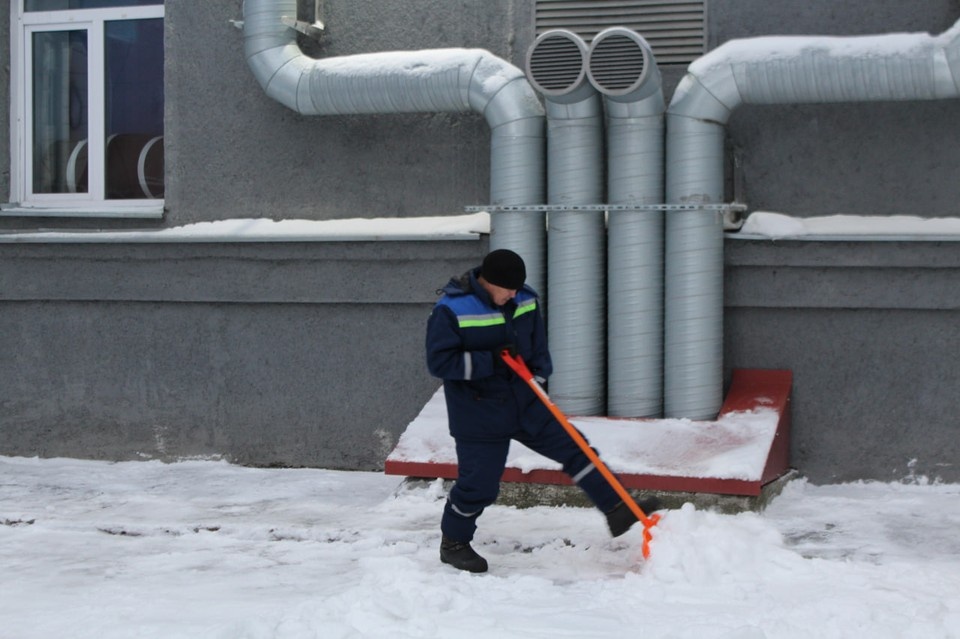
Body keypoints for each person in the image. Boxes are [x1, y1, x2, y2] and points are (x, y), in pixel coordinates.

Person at [425, 248, 661, 573]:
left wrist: (537, 379)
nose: (512, 295)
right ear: (487, 282)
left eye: (516, 288)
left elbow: (537, 349)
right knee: (479, 485)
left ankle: (617, 508)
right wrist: (490, 360)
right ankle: (454, 542)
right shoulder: (453, 309)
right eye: (507, 289)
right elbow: (439, 362)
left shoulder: (524, 299)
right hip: (478, 411)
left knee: (577, 449)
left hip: (526, 401)